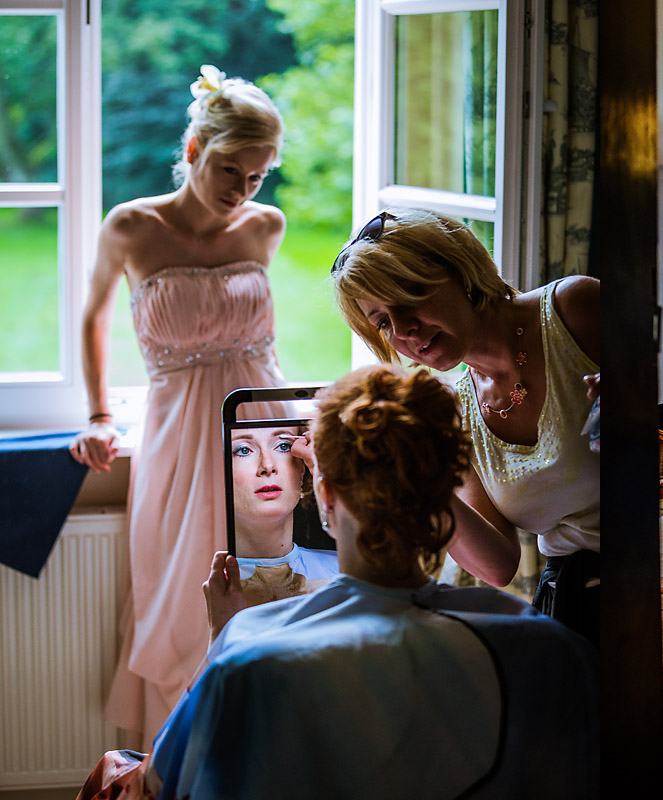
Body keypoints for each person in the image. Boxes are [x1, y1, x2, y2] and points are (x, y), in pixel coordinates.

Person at [76, 366, 599, 800]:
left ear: (323, 496)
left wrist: (222, 636)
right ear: (444, 495)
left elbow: (159, 785)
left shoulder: (245, 658)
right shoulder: (544, 644)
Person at [68, 64, 288, 746]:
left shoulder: (266, 229)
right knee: (179, 593)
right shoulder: (131, 227)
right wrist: (100, 414)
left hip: (259, 428)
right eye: (230, 170)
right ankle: (178, 763)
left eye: (256, 177)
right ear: (194, 150)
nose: (242, 191)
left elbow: (254, 346)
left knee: (268, 585)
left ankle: (261, 760)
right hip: (174, 434)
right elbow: (93, 319)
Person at [328, 208, 601, 642]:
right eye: (382, 322)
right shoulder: (455, 411)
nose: (403, 331)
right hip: (571, 601)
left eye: (409, 295)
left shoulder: (575, 310)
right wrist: (422, 478)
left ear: (458, 268)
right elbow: (498, 565)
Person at [229, 427, 339, 605]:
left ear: (302, 469)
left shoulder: (346, 572)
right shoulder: (194, 586)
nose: (268, 466)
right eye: (243, 450)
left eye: (283, 446)